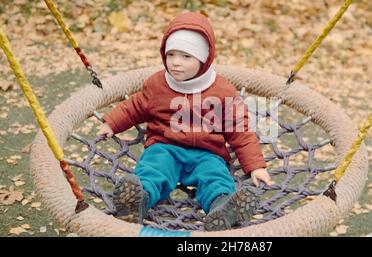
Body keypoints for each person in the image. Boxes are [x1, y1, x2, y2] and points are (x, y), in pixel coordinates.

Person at [97, 12, 273, 231]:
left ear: (203, 59)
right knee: (153, 169)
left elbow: (240, 128)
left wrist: (256, 166)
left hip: (207, 152)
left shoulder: (221, 91)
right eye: (171, 55)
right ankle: (137, 202)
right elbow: (135, 106)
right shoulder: (157, 85)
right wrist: (111, 123)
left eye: (186, 57)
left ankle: (223, 208)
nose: (175, 63)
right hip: (165, 147)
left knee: (215, 176)